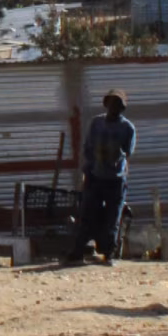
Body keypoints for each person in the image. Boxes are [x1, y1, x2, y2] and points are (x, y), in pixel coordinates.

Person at [66, 89, 136, 267]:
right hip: (94, 177)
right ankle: (77, 253)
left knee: (113, 218)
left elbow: (128, 152)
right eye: (111, 103)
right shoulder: (96, 123)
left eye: (118, 104)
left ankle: (108, 254)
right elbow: (87, 147)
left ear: (122, 107)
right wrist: (88, 170)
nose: (114, 107)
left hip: (116, 179)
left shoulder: (127, 127)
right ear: (106, 104)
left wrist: (113, 160)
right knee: (86, 215)